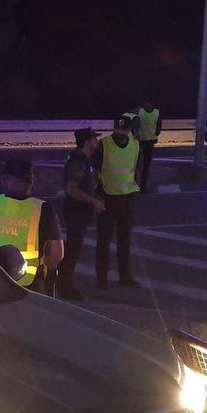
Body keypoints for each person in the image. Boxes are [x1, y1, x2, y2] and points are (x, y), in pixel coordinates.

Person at [0, 157, 62, 293]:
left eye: (5, 179)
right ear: (30, 182)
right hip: (30, 284)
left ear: (12, 181)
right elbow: (56, 255)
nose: (3, 183)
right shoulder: (43, 209)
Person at [54, 129, 106, 301]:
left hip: (78, 211)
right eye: (94, 139)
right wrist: (93, 201)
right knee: (72, 251)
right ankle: (65, 286)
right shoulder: (79, 161)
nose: (96, 142)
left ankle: (62, 283)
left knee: (73, 249)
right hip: (77, 211)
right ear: (87, 141)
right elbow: (71, 188)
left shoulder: (82, 159)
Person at [95, 115, 141, 289]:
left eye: (124, 129)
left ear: (129, 130)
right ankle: (102, 278)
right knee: (104, 240)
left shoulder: (136, 145)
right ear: (114, 128)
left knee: (125, 239)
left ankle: (125, 276)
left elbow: (137, 168)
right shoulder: (104, 144)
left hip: (127, 198)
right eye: (118, 129)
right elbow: (95, 168)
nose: (120, 132)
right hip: (107, 197)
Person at [130, 96, 162, 192]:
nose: (147, 105)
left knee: (146, 165)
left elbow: (159, 125)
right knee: (137, 164)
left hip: (149, 141)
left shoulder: (156, 113)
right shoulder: (139, 111)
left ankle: (143, 186)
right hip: (139, 141)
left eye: (148, 103)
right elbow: (133, 123)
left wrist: (156, 133)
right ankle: (135, 184)